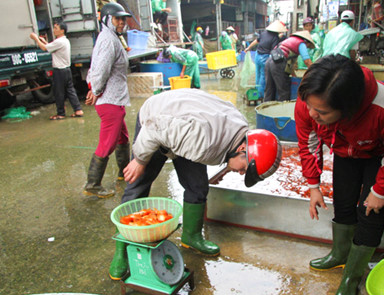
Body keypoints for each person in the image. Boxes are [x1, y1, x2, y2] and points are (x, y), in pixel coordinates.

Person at [108, 88, 282, 280]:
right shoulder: (203, 140)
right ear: (242, 148)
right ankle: (122, 249)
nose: (241, 173)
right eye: (244, 169)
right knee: (137, 185)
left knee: (198, 187)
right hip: (156, 121)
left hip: (183, 125)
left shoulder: (234, 133)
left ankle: (191, 236)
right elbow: (154, 128)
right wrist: (140, 160)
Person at [294, 55, 384, 295]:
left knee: (370, 211)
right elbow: (308, 142)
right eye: (309, 106)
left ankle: (352, 276)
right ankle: (340, 255)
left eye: (321, 112)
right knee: (343, 201)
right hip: (344, 151)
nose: (311, 114)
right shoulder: (310, 101)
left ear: (347, 108)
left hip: (381, 155)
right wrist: (313, 185)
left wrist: (380, 191)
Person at [83, 2, 132, 198]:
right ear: (106, 20)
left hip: (114, 98)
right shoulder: (109, 40)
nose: (121, 22)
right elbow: (100, 69)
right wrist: (95, 89)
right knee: (108, 143)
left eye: (123, 19)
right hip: (109, 101)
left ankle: (124, 172)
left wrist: (95, 88)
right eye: (117, 18)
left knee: (122, 138)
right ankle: (93, 184)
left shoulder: (111, 37)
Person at [30, 21, 83, 120]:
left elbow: (45, 48)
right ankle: (78, 109)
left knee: (59, 92)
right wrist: (44, 41)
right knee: (70, 90)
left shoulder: (59, 42)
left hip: (59, 71)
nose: (54, 30)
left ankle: (61, 113)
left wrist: (36, 39)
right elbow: (51, 47)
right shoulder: (64, 41)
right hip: (67, 70)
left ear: (62, 30)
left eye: (56, 28)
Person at [264, 30, 315, 102]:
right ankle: (283, 111)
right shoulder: (301, 43)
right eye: (308, 46)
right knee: (283, 91)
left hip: (269, 61)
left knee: (269, 89)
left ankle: (266, 110)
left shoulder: (288, 41)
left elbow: (292, 64)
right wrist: (316, 70)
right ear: (307, 42)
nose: (307, 48)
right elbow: (307, 61)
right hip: (278, 63)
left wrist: (293, 74)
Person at [244, 20, 287, 99]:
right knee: (264, 77)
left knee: (258, 75)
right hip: (265, 57)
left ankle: (256, 93)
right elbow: (273, 51)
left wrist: (248, 48)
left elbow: (256, 41)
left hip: (257, 55)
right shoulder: (275, 37)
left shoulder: (263, 33)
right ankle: (261, 95)